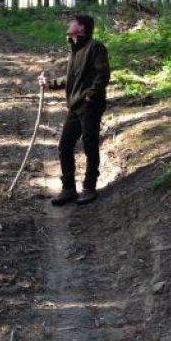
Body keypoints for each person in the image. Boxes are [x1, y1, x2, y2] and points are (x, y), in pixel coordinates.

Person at [40, 14, 111, 205]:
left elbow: (103, 74)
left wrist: (91, 94)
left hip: (89, 105)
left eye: (72, 22)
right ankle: (69, 189)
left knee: (89, 144)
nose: (68, 24)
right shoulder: (74, 49)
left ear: (81, 28)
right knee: (65, 145)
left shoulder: (95, 47)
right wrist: (50, 83)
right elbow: (71, 79)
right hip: (75, 106)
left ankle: (89, 188)